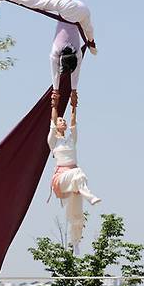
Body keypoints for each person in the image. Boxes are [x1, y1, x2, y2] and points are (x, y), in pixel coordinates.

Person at [3, 0, 97, 105]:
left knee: (37, 2)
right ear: (61, 60)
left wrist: (91, 42)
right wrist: (57, 90)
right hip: (71, 9)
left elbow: (76, 71)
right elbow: (55, 73)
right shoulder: (57, 51)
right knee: (37, 2)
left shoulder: (77, 53)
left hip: (82, 8)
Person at [47, 90, 101, 253]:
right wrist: (55, 105)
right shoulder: (53, 141)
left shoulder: (71, 139)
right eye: (60, 120)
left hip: (74, 182)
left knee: (77, 215)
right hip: (61, 179)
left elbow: (73, 122)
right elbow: (53, 120)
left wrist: (73, 105)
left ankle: (75, 242)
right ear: (57, 125)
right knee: (79, 174)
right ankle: (89, 195)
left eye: (63, 120)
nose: (62, 121)